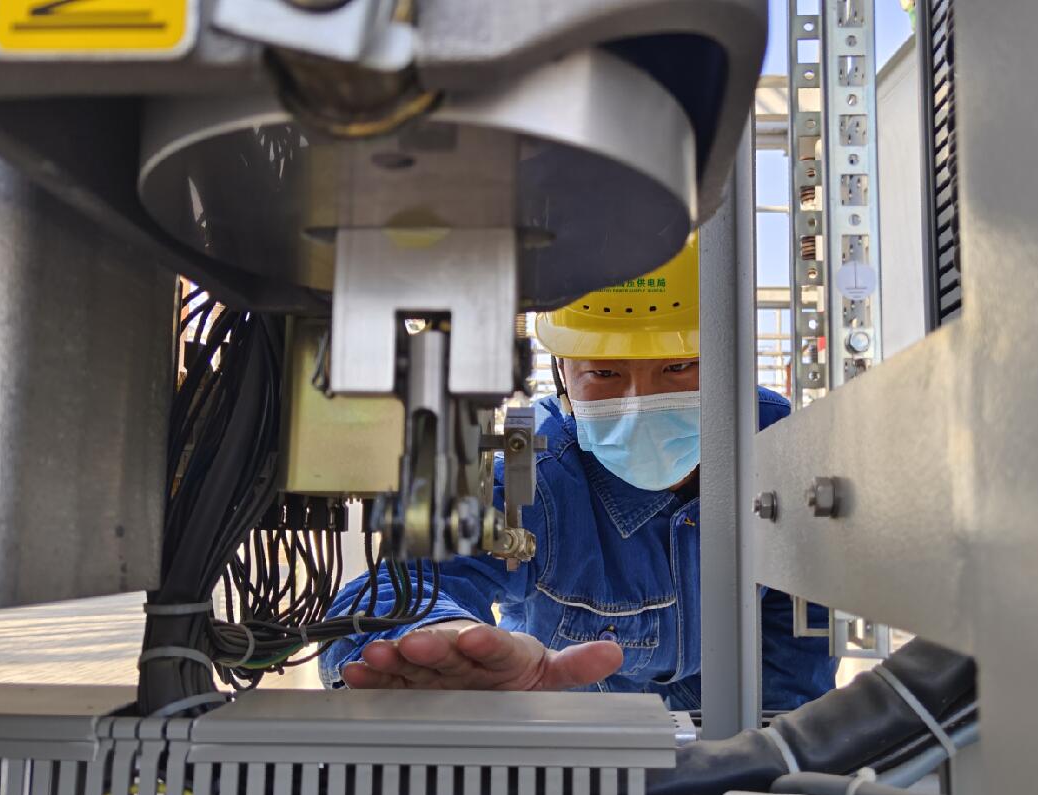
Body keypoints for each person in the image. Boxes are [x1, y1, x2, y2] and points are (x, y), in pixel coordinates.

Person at [319, 238, 836, 710]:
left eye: (679, 367)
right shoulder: (532, 465)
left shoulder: (777, 443)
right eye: (604, 373)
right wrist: (445, 641)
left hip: (723, 721)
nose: (639, 403)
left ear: (729, 361)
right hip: (571, 726)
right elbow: (394, 587)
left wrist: (771, 746)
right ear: (562, 373)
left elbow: (800, 620)